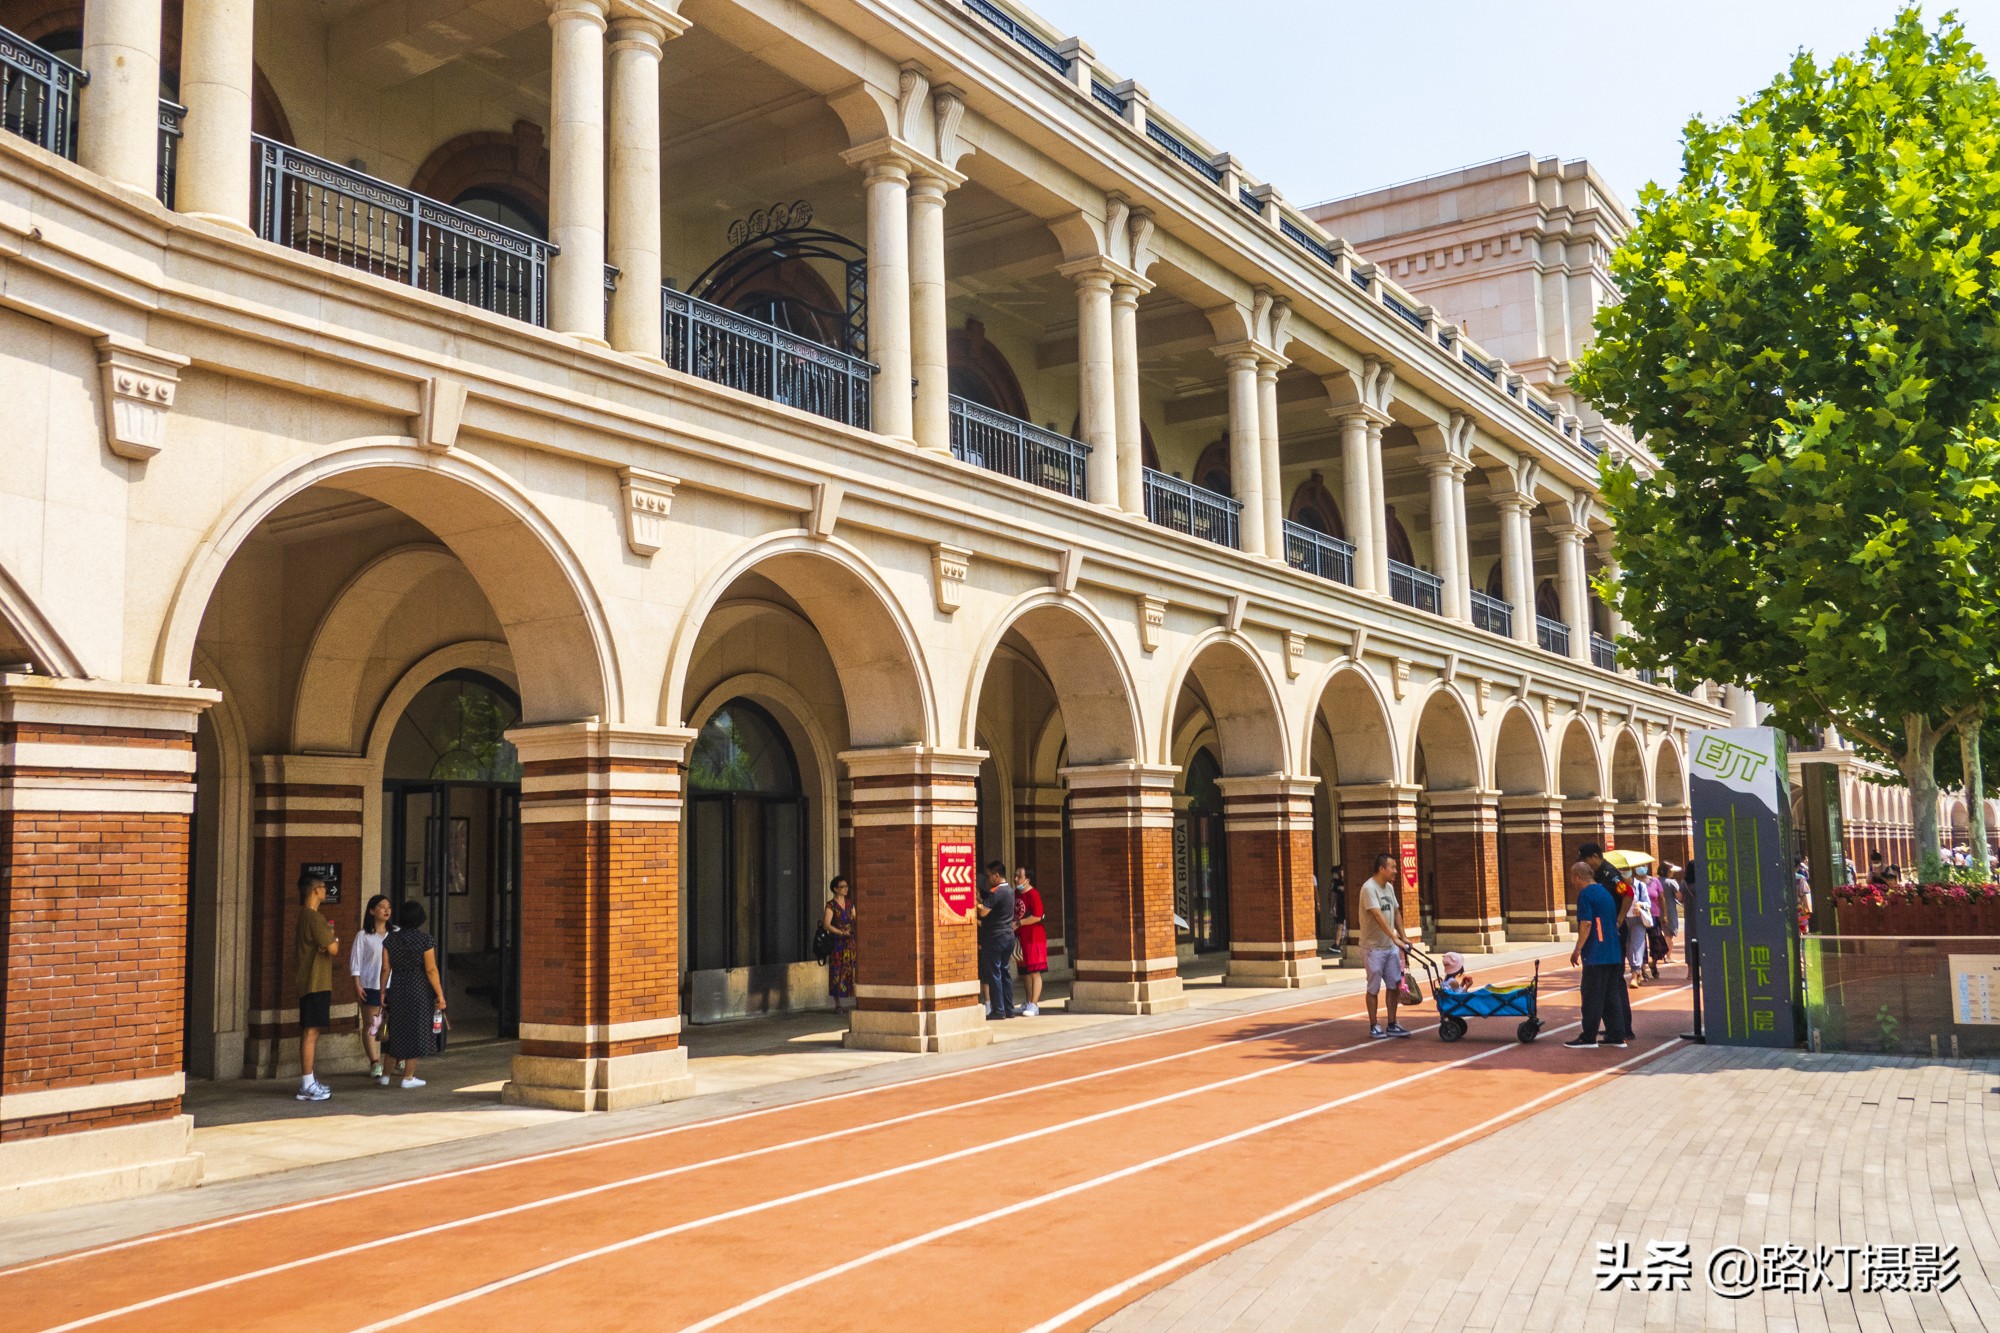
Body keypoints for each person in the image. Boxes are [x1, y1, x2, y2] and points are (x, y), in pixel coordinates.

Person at [1566, 868, 1631, 1050]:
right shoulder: (1605, 892)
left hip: (1596, 953)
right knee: (1611, 996)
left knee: (1591, 996)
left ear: (1577, 877)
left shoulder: (1586, 894)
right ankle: (1616, 1035)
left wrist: (1577, 949)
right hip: (1612, 951)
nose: (1572, 882)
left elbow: (1586, 923)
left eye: (1572, 878)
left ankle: (1588, 1037)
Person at [382, 899, 444, 1088]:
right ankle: (408, 1077)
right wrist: (440, 995)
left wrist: (382, 992)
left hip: (398, 986)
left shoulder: (390, 940)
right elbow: (431, 970)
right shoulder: (425, 940)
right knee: (415, 1030)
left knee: (397, 1029)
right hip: (418, 988)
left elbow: (385, 969)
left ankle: (385, 1076)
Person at [293, 871, 340, 1102]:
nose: (326, 890)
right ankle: (307, 1083)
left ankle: (309, 1081)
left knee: (312, 1030)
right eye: (323, 887)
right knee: (311, 1031)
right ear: (315, 890)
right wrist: (332, 941)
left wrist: (328, 943)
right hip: (315, 981)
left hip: (310, 980)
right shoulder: (314, 917)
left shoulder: (304, 917)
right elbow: (333, 948)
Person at [1359, 852, 1411, 1039]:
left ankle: (1392, 1023)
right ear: (1382, 869)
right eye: (1393, 867)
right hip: (1373, 947)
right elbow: (1377, 915)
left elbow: (1395, 912)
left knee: (1393, 984)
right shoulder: (1369, 888)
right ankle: (1374, 1025)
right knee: (1373, 987)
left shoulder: (1388, 887)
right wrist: (1393, 937)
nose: (1396, 871)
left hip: (1390, 947)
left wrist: (1403, 936)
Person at [352, 894, 394, 1079]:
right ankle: (375, 1062)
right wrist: (356, 983)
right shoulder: (363, 936)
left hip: (393, 985)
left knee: (393, 1023)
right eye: (381, 906)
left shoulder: (395, 933)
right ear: (371, 911)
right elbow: (356, 962)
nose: (386, 910)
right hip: (370, 984)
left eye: (388, 907)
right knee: (372, 1025)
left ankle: (396, 1059)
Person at [974, 861, 1017, 1020]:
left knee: (995, 974)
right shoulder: (1010, 891)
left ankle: (998, 1010)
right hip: (1008, 937)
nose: (988, 879)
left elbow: (983, 912)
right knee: (1005, 973)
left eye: (989, 875)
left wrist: (975, 902)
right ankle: (1009, 1009)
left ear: (996, 875)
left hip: (995, 937)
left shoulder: (997, 892)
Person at [1013, 866, 1048, 1017]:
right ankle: (1027, 1002)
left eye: (1019, 876)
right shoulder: (1016, 894)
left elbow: (1038, 916)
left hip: (1034, 938)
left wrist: (1020, 923)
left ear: (1027, 879)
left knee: (1035, 972)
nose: (1016, 879)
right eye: (1015, 876)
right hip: (1021, 939)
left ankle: (1034, 1004)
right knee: (1025, 973)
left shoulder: (1033, 894)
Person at [822, 875, 856, 1010]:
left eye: (846, 886)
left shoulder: (850, 903)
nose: (845, 889)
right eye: (842, 887)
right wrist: (841, 932)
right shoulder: (831, 905)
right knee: (837, 970)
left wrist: (850, 930)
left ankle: (852, 997)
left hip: (849, 941)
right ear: (835, 889)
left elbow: (854, 919)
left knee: (850, 969)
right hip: (837, 942)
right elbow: (826, 924)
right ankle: (838, 1004)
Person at [1322, 865, 1347, 956]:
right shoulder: (1336, 882)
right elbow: (1332, 894)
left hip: (1345, 906)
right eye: (1341, 871)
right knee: (1338, 925)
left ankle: (1338, 944)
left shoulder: (1347, 882)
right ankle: (1337, 944)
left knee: (1341, 926)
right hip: (1339, 906)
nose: (1342, 872)